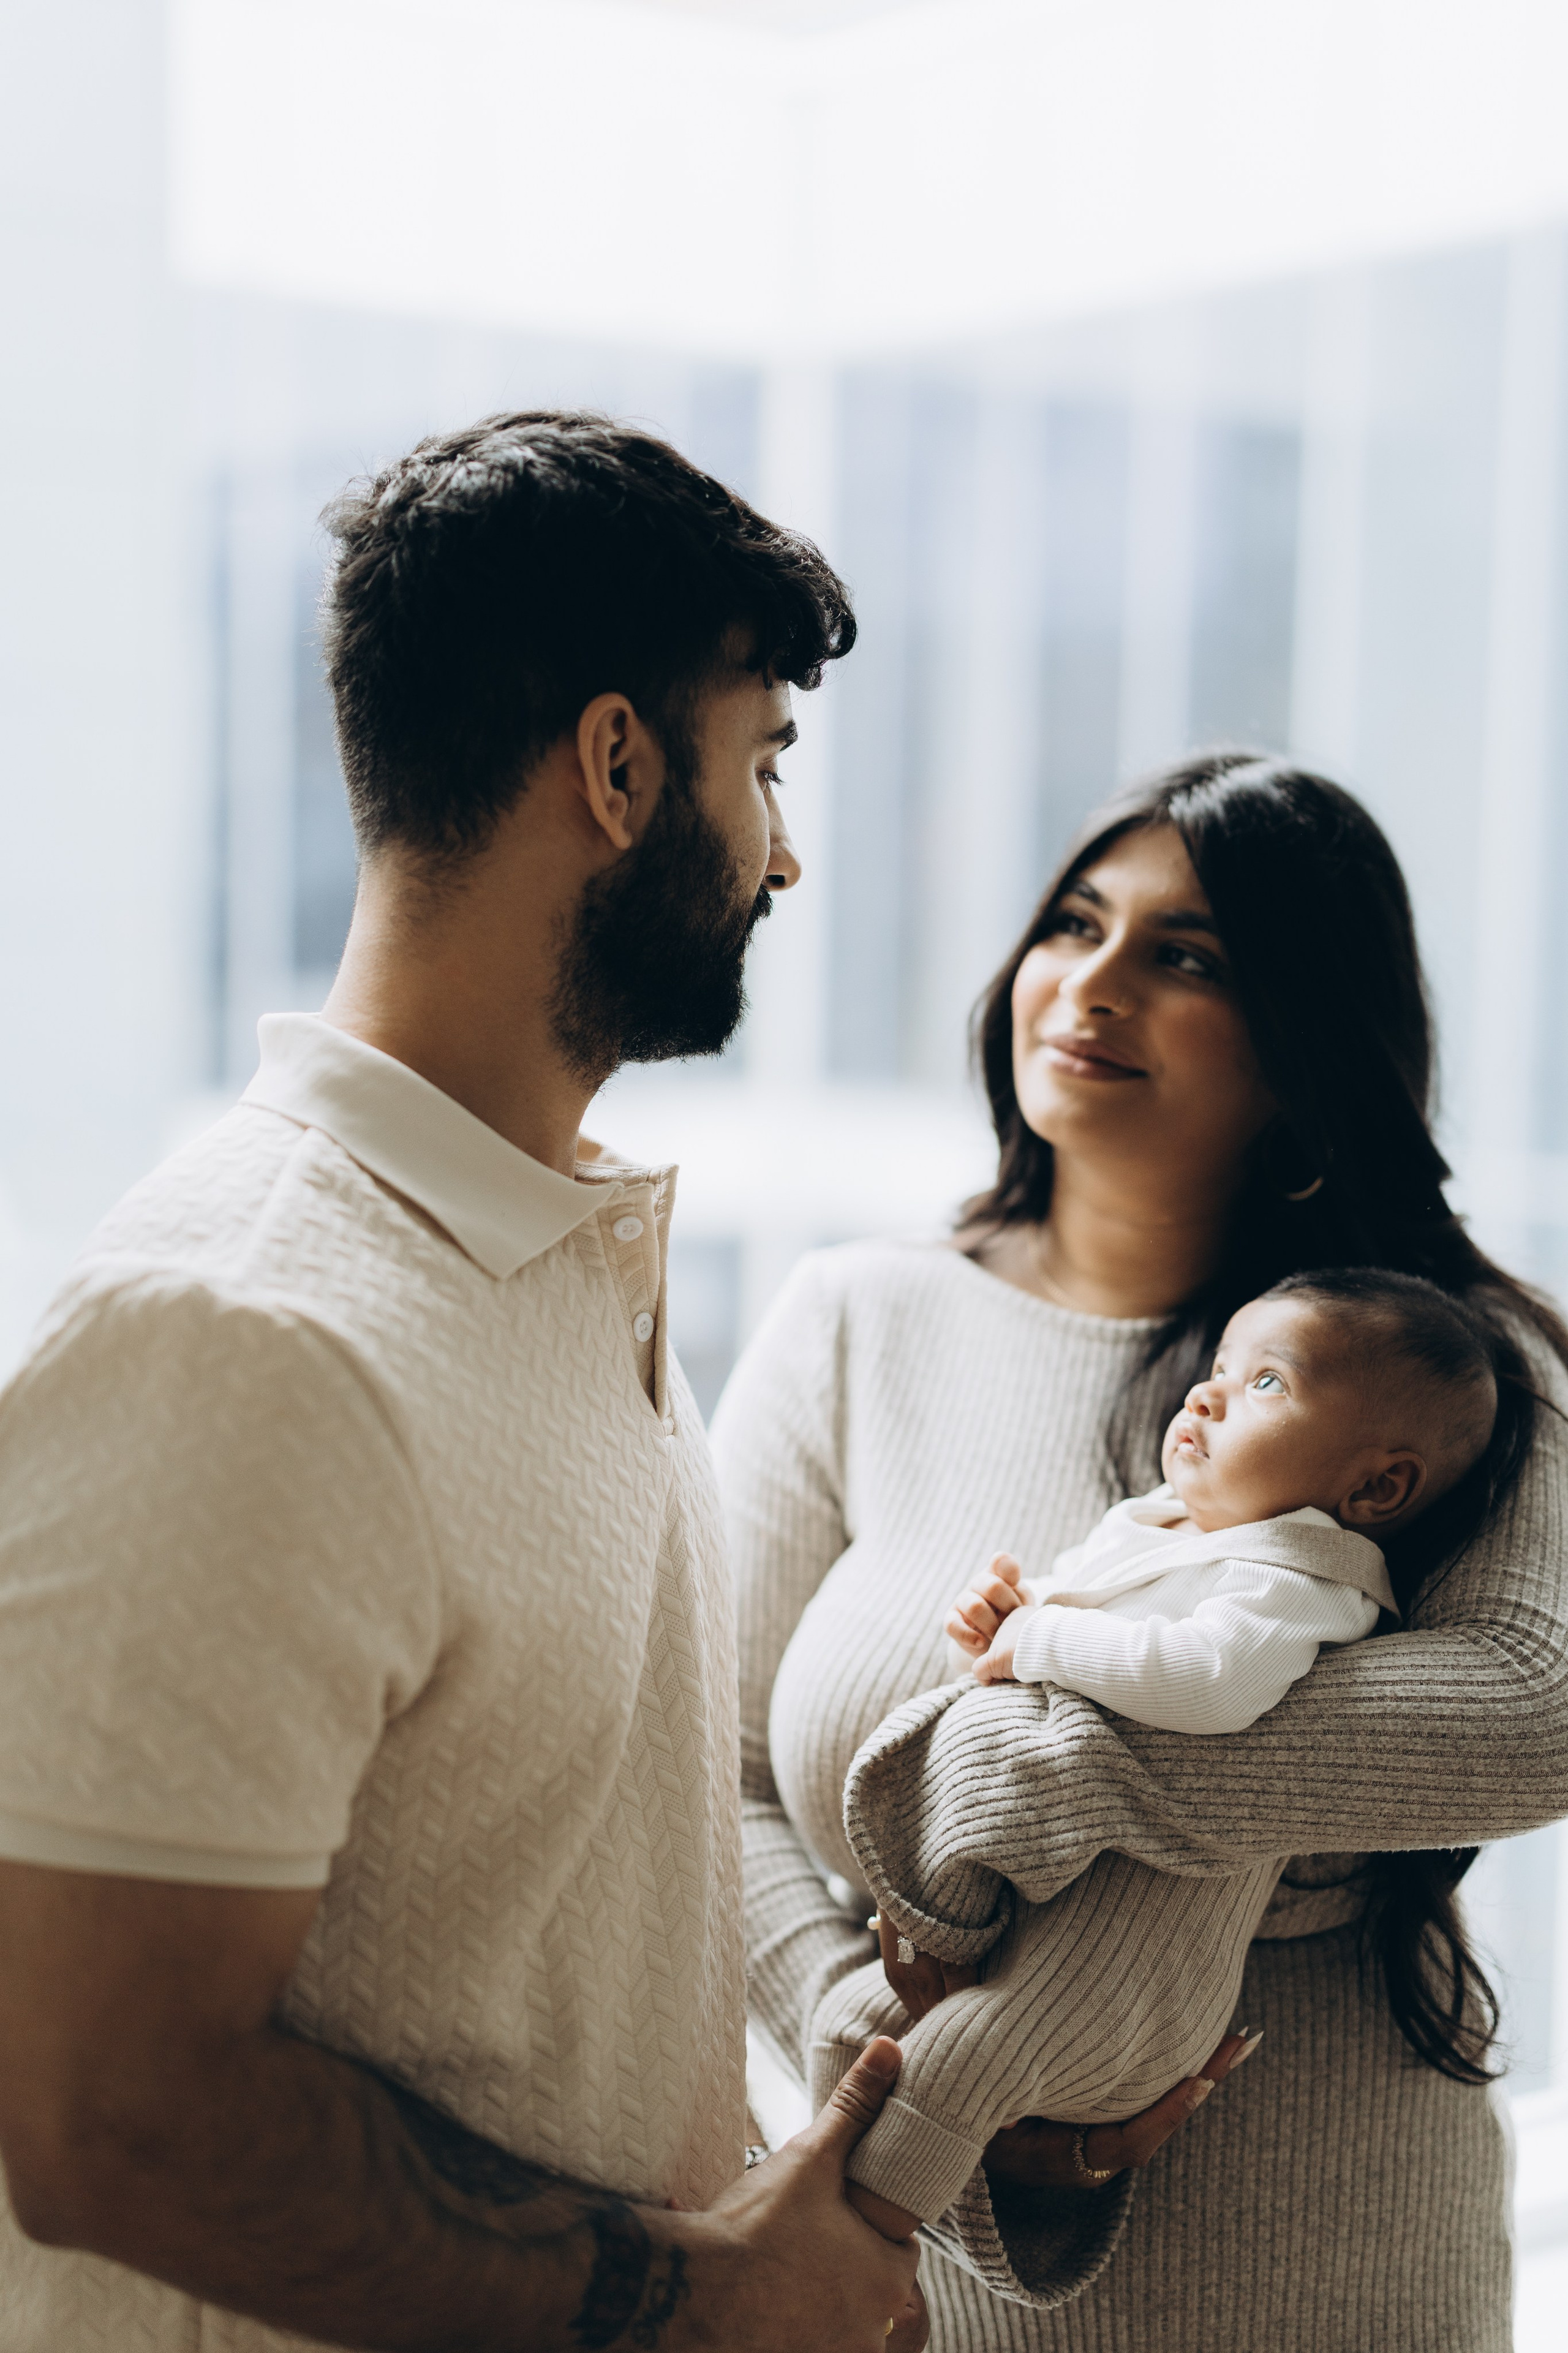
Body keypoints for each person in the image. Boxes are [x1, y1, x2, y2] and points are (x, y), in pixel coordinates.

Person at [0, 412, 934, 2353]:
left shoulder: (562, 1261)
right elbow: (109, 2117)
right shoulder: (243, 1338)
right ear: (616, 767)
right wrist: (692, 2307)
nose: (785, 849)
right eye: (762, 761)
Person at [712, 752, 1568, 2350]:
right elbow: (711, 1771)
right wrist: (872, 2047)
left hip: (1343, 2267)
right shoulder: (857, 1317)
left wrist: (1048, 1770)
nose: (1089, 982)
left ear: (1307, 1046)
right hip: (923, 2276)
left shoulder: (1455, 1371)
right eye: (1073, 924)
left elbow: (1534, 1705)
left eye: (1187, 957)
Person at [810, 1271, 1521, 2273]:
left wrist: (1042, 1638)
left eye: (1266, 1382)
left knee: (963, 2060)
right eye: (1220, 1367)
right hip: (1041, 1926)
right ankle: (824, 2207)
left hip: (1128, 1976)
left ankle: (851, 2263)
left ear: (1375, 1488)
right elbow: (1061, 1624)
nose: (1207, 1394)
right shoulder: (1159, 1526)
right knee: (848, 2023)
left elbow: (1209, 1683)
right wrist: (1016, 1611)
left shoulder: (1305, 1575)